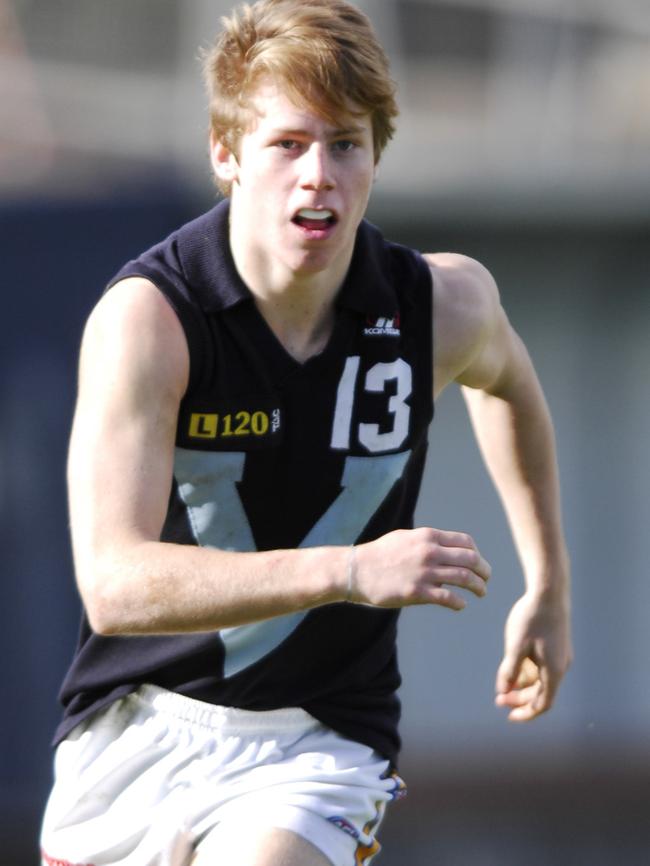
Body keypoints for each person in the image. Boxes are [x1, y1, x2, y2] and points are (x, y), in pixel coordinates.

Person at [40, 1, 572, 864]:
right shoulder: (149, 321)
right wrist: (354, 570)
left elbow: (509, 384)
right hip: (134, 728)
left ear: (375, 158)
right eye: (288, 143)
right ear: (228, 154)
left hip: (316, 740)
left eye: (346, 144)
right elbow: (114, 585)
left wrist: (547, 584)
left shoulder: (442, 304)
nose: (317, 174)